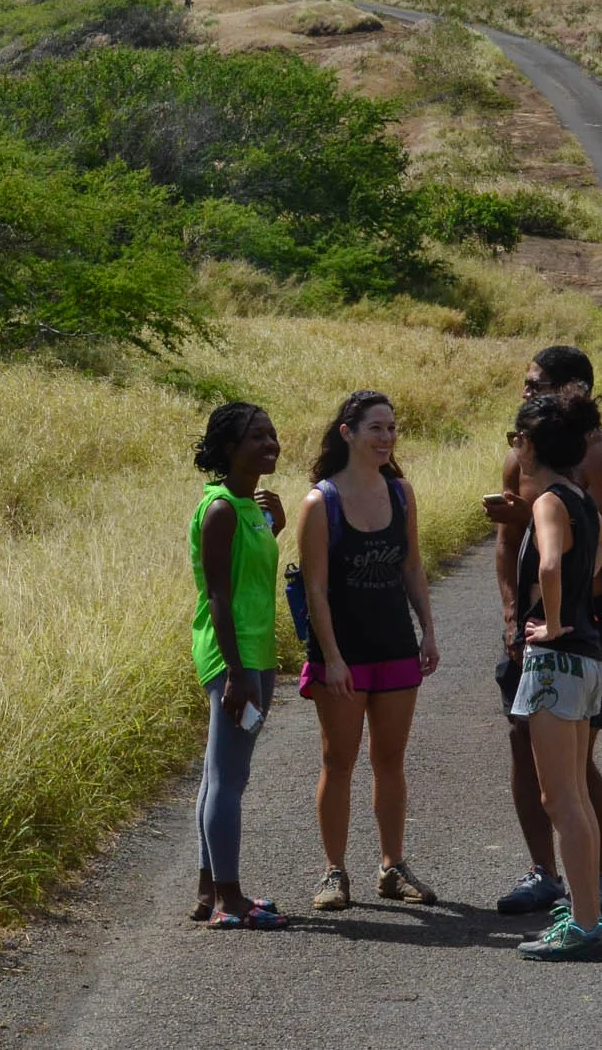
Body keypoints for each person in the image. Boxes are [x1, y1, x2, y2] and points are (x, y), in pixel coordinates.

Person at [485, 346, 602, 916]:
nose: (526, 393)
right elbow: (511, 546)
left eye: (538, 385)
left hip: (577, 627)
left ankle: (595, 886)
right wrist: (513, 617)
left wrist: (554, 616)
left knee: (574, 767)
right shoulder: (527, 463)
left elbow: (583, 557)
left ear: (574, 392)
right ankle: (546, 875)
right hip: (536, 626)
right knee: (524, 744)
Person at [295, 391, 441, 911]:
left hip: (395, 644)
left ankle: (392, 866)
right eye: (376, 428)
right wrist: (332, 658)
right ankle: (334, 872)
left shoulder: (400, 492)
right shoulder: (321, 503)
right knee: (338, 761)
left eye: (392, 428)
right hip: (343, 653)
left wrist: (428, 631)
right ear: (348, 433)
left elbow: (412, 566)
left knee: (390, 759)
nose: (386, 438)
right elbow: (315, 590)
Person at [505, 392, 602, 960]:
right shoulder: (581, 498)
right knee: (575, 797)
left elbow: (548, 563)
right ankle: (588, 915)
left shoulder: (549, 500)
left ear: (530, 443)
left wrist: (550, 621)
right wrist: (576, 592)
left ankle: (585, 925)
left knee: (560, 799)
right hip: (588, 659)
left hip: (555, 661)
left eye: (515, 439)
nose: (514, 448)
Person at [187, 401, 289, 930]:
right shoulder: (222, 508)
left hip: (251, 653)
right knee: (229, 777)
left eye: (272, 434)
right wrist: (235, 672)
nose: (270, 444)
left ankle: (209, 891)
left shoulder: (251, 506)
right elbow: (219, 595)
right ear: (229, 448)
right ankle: (230, 900)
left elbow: (249, 568)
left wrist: (276, 525)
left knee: (218, 774)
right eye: (257, 437)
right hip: (235, 655)